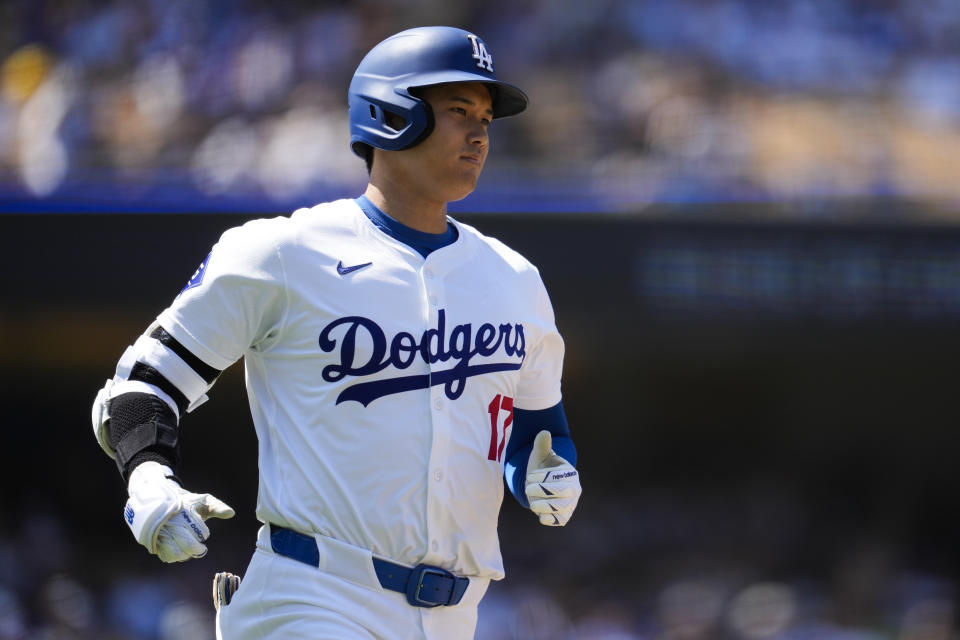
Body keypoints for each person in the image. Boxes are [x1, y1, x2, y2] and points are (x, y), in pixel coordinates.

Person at [90, 26, 581, 639]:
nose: (480, 132)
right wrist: (149, 478)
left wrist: (546, 473)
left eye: (485, 116)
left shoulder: (515, 279)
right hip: (314, 596)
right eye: (458, 110)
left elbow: (538, 433)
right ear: (389, 113)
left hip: (458, 616)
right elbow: (140, 387)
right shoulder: (283, 251)